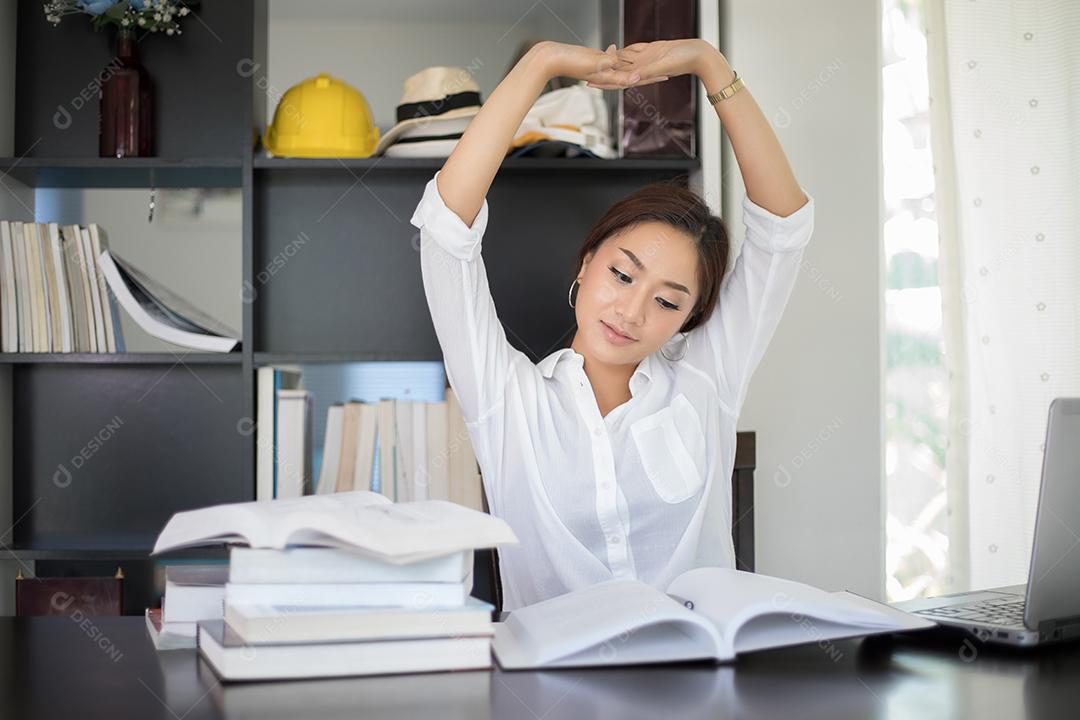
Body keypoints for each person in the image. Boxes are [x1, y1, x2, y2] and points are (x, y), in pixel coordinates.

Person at [410, 40, 815, 611]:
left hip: (698, 665)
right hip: (554, 670)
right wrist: (541, 63)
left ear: (690, 317)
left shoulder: (705, 381)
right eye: (623, 275)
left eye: (667, 302)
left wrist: (710, 65)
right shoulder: (507, 401)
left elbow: (783, 229)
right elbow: (446, 230)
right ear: (586, 262)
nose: (632, 312)